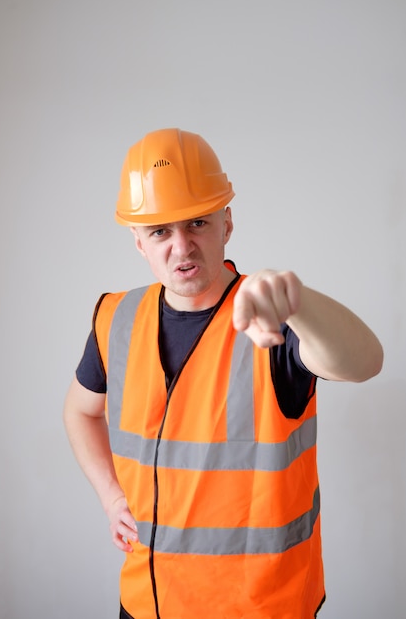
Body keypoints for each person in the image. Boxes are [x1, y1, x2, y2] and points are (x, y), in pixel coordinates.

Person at [63, 128, 383, 619]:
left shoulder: (271, 318)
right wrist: (110, 497)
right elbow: (79, 412)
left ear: (226, 222)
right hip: (147, 601)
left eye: (197, 223)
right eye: (160, 232)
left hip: (258, 607)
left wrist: (299, 303)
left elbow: (365, 362)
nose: (181, 246)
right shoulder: (116, 320)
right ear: (138, 242)